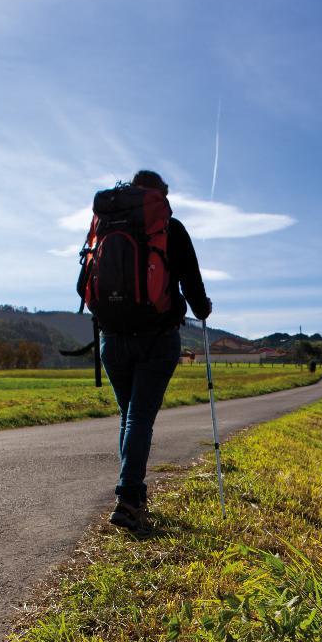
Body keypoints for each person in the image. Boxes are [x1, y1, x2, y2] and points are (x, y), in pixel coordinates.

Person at [97, 170, 212, 534]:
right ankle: (129, 498)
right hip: (156, 338)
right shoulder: (169, 227)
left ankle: (133, 494)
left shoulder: (105, 224)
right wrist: (203, 308)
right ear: (160, 196)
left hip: (111, 338)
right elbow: (193, 289)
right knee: (139, 418)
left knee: (128, 416)